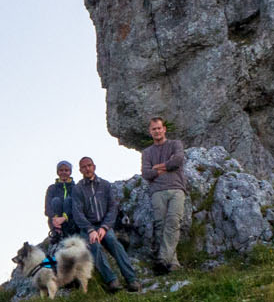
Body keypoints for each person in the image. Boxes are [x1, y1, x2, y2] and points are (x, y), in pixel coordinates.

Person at [68, 155, 140, 292]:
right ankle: (111, 280)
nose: (87, 169)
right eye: (84, 167)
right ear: (80, 170)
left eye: (89, 165)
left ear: (94, 167)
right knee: (95, 246)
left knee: (114, 242)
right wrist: (90, 230)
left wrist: (105, 227)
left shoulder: (105, 185)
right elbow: (78, 213)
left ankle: (131, 279)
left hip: (104, 225)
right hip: (88, 228)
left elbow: (112, 208)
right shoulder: (77, 189)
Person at [141, 116, 188, 273]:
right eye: (153, 129)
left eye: (159, 128)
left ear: (164, 129)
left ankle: (162, 260)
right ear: (150, 131)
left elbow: (178, 160)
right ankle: (172, 262)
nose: (157, 131)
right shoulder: (147, 152)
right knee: (161, 225)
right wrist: (167, 166)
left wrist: (159, 167)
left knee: (174, 221)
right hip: (157, 191)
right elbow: (146, 173)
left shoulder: (175, 144)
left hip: (176, 188)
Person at [43, 161, 76, 242]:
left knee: (68, 200)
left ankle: (71, 231)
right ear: (58, 172)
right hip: (55, 222)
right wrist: (56, 219)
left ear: (70, 172)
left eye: (66, 170)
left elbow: (77, 205)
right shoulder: (52, 188)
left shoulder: (76, 188)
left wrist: (64, 218)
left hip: (70, 220)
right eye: (61, 170)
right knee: (56, 200)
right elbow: (47, 208)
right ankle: (57, 233)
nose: (63, 172)